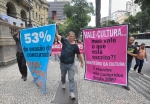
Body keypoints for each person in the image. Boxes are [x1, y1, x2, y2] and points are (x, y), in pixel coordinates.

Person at [56, 29, 84, 100]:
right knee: (63, 75)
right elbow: (57, 35)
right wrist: (56, 28)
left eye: (73, 36)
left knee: (71, 78)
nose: (72, 37)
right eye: (70, 36)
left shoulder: (75, 46)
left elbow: (79, 54)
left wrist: (82, 62)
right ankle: (63, 82)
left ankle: (72, 92)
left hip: (71, 64)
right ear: (68, 36)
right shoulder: (64, 41)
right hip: (63, 63)